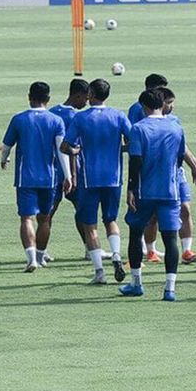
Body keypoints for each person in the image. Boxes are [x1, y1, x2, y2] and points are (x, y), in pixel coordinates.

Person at [120, 88, 196, 301]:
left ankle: (136, 283)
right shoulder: (176, 127)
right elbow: (181, 155)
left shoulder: (138, 128)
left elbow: (135, 161)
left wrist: (130, 189)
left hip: (144, 191)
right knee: (170, 238)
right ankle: (170, 289)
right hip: (170, 191)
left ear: (144, 106)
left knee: (136, 234)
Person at [61, 78, 131, 285]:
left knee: (90, 225)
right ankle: (117, 255)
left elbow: (65, 146)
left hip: (89, 179)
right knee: (111, 220)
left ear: (90, 93)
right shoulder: (118, 115)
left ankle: (100, 272)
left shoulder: (81, 118)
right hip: (113, 177)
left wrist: (76, 150)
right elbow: (132, 140)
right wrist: (118, 149)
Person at [0, 82, 71, 272]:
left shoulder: (19, 119)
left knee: (26, 218)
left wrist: (4, 159)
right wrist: (68, 176)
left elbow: (7, 145)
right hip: (49, 178)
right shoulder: (56, 121)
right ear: (48, 99)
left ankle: (31, 259)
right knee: (45, 218)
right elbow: (61, 150)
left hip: (26, 178)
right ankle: (40, 256)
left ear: (29, 97)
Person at [158, 87, 196, 264]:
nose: (172, 106)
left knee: (185, 208)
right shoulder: (149, 122)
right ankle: (149, 249)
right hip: (159, 175)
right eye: (169, 103)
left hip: (177, 173)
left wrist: (193, 164)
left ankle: (187, 251)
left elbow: (181, 146)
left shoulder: (174, 120)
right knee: (152, 215)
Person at [47, 78, 90, 261]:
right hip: (73, 171)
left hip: (51, 171)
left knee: (48, 211)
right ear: (78, 95)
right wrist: (71, 175)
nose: (87, 102)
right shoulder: (76, 117)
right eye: (86, 98)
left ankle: (42, 249)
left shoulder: (51, 112)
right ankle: (90, 248)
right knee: (82, 209)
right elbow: (70, 148)